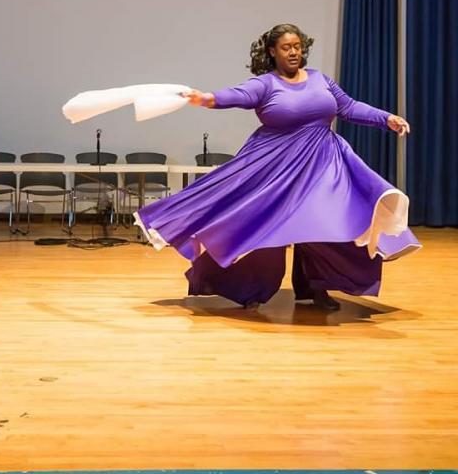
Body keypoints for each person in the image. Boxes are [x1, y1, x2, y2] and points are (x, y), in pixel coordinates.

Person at [134, 23, 421, 311]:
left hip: (322, 164)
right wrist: (206, 99)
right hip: (278, 168)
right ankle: (248, 288)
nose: (294, 52)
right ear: (273, 52)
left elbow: (348, 107)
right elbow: (237, 95)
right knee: (266, 229)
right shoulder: (265, 84)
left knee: (324, 225)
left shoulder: (321, 80)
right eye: (286, 47)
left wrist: (386, 118)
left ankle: (314, 288)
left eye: (298, 46)